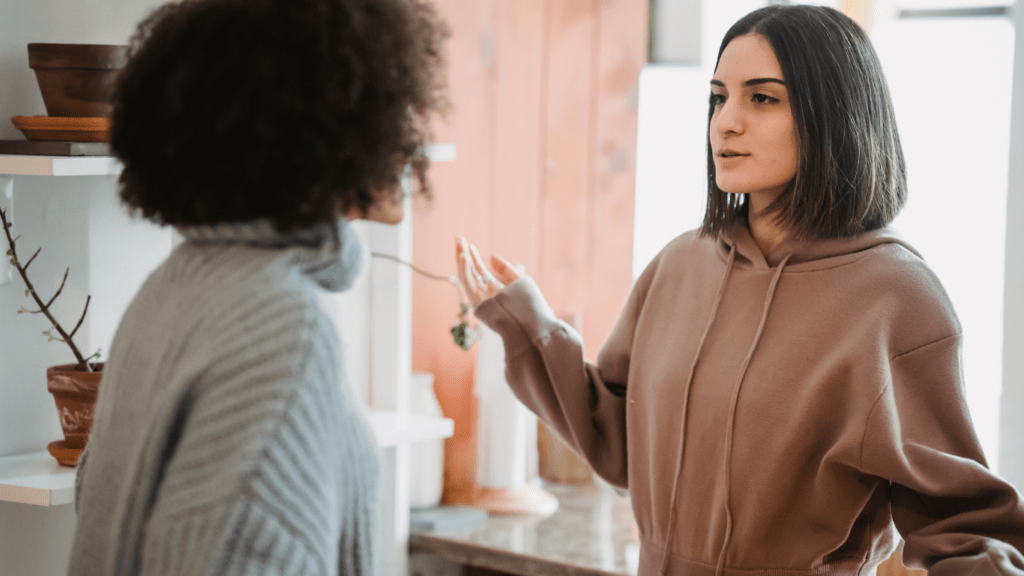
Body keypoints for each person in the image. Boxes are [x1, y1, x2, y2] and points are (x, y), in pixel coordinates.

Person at [456, 5, 1024, 576]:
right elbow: (619, 441)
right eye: (718, 97)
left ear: (834, 114)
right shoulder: (679, 265)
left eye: (763, 98)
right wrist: (526, 321)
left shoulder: (896, 299)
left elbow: (964, 529)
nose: (726, 122)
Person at [68, 0, 449, 574]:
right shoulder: (284, 328)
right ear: (318, 122)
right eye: (391, 107)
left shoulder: (173, 286)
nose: (410, 136)